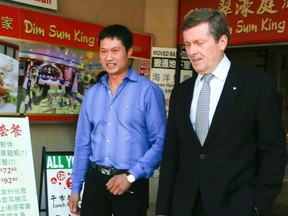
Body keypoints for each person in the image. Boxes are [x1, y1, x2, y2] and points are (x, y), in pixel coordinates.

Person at [156, 8, 287, 216]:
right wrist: (162, 209)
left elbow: (274, 152)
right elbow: (171, 155)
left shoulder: (256, 85)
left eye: (199, 43)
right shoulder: (181, 93)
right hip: (184, 206)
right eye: (188, 44)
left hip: (235, 206)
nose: (192, 51)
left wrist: (255, 204)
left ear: (222, 42)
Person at [68, 24, 166, 216]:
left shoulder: (148, 92)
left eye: (115, 51)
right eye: (103, 51)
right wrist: (75, 188)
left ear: (129, 52)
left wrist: (131, 176)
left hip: (131, 182)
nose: (108, 57)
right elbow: (83, 143)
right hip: (96, 182)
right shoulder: (92, 94)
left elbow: (162, 141)